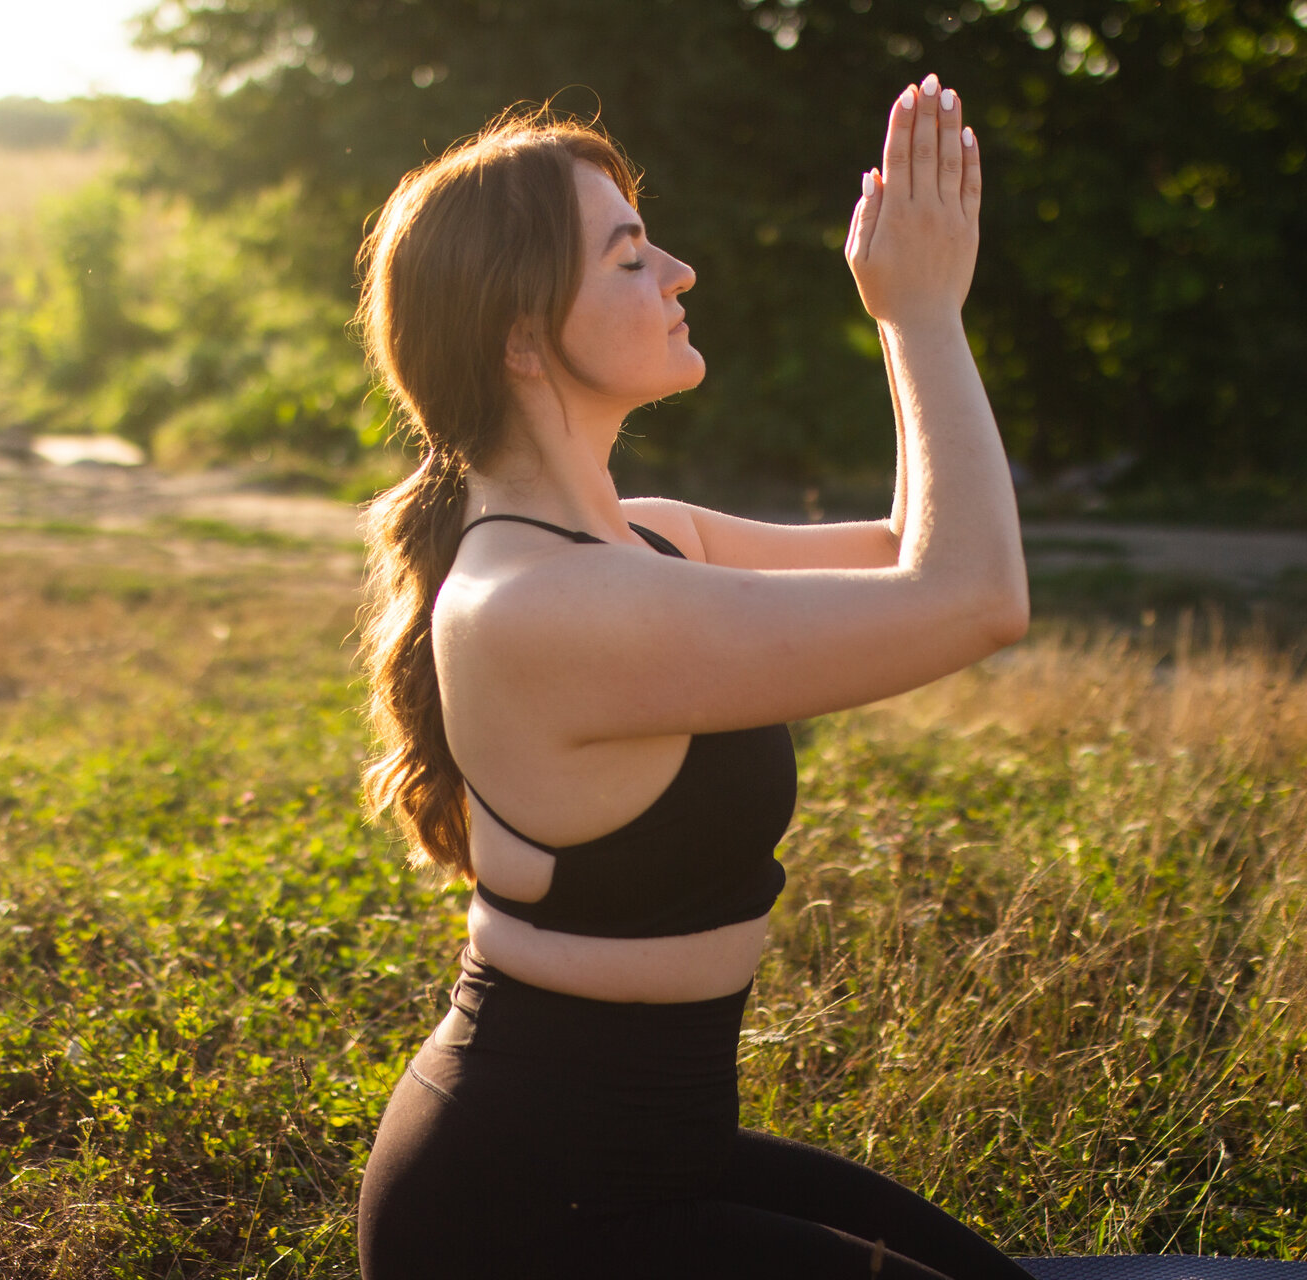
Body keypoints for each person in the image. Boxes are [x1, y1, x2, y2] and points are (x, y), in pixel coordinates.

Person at [352, 77, 1032, 1280]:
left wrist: (906, 315)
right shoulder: (538, 608)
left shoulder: (642, 541)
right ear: (520, 336)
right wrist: (923, 318)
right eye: (627, 258)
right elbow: (975, 599)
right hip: (521, 1211)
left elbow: (912, 547)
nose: (677, 271)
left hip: (656, 1151)